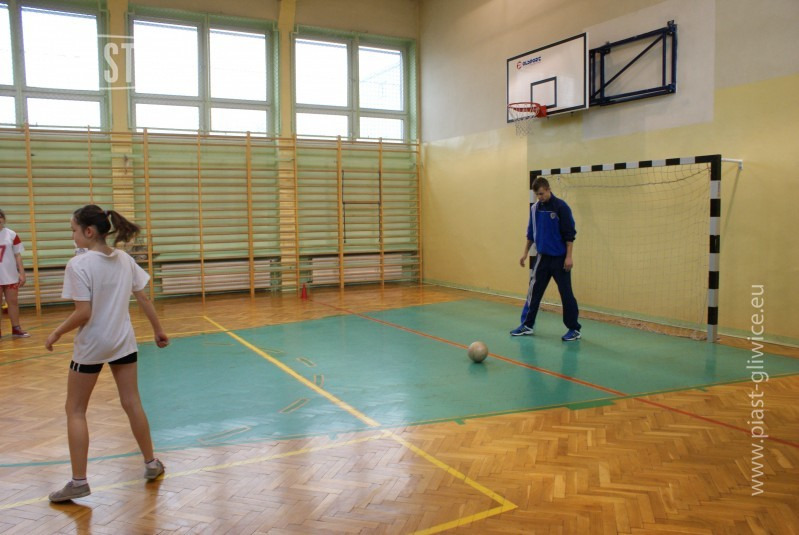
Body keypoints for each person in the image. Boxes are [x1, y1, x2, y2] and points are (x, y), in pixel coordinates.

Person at [45, 204, 169, 502]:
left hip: (92, 345)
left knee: (75, 410)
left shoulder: (78, 265)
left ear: (89, 231)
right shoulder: (124, 259)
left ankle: (78, 481)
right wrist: (158, 329)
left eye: (74, 230)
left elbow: (83, 312)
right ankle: (151, 463)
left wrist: (57, 332)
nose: (72, 236)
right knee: (132, 401)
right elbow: (143, 298)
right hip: (122, 341)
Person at [510, 177, 582, 341]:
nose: (540, 197)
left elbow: (569, 235)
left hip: (560, 259)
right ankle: (527, 325)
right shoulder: (535, 208)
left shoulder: (561, 207)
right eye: (537, 194)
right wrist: (525, 253)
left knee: (566, 294)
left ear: (548, 189)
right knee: (533, 292)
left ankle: (574, 329)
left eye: (542, 193)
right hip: (542, 258)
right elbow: (531, 233)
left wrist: (569, 257)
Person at [0, 208, 30, 339]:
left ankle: (16, 328)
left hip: (10, 275)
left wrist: (22, 273)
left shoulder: (11, 234)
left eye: (0, 217)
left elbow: (18, 255)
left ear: (4, 219)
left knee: (13, 302)